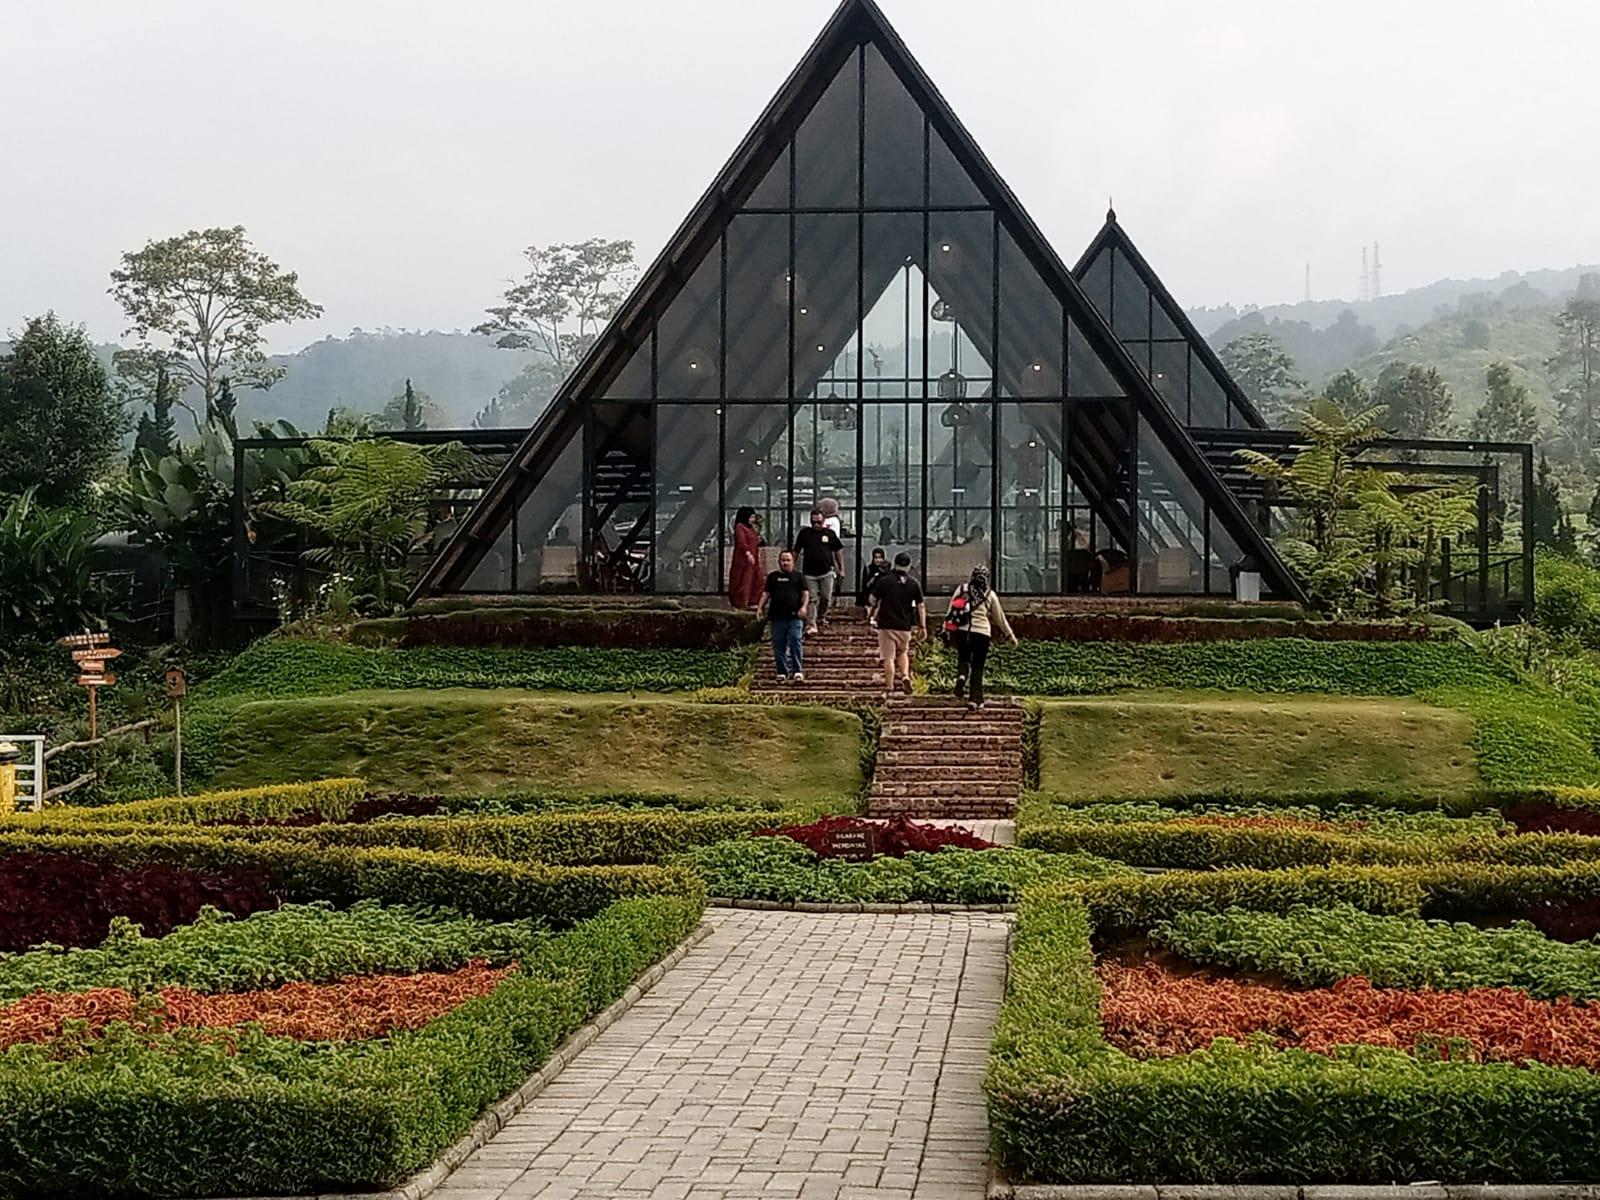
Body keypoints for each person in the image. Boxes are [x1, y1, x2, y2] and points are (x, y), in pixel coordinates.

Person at [947, 564, 1017, 709]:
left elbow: (951, 611)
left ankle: (961, 676)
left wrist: (946, 629)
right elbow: (1000, 618)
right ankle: (975, 699)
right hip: (982, 633)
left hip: (963, 630)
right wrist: (1010, 635)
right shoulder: (989, 594)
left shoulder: (962, 589)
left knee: (964, 658)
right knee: (978, 667)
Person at [868, 551, 926, 695]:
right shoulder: (914, 583)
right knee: (903, 652)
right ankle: (905, 676)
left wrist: (872, 612)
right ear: (909, 566)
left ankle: (889, 686)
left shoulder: (885, 581)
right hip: (905, 625)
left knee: (888, 657)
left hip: (886, 625)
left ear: (895, 563)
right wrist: (922, 626)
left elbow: (872, 600)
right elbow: (921, 606)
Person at [758, 549, 808, 683]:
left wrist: (803, 607)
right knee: (779, 645)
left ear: (793, 562)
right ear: (779, 562)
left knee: (795, 640)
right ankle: (782, 671)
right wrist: (760, 607)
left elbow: (805, 594)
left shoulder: (799, 577)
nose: (785, 563)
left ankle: (797, 670)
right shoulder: (773, 577)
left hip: (794, 617)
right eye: (783, 560)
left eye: (788, 560)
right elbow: (766, 593)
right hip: (777, 617)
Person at [793, 507, 844, 635]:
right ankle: (811, 623)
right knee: (811, 598)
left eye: (819, 522)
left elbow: (838, 551)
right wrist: (791, 566)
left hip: (826, 571)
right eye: (813, 522)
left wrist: (841, 568)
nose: (816, 525)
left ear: (824, 521)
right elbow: (796, 551)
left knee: (826, 597)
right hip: (809, 572)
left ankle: (821, 616)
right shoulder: (805, 534)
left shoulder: (829, 534)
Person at [728, 507, 763, 611]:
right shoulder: (740, 527)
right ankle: (742, 603)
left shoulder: (751, 528)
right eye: (751, 517)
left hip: (754, 559)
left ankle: (753, 601)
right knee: (744, 581)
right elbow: (741, 541)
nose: (753, 519)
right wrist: (748, 553)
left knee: (758, 580)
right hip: (744, 559)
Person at [857, 546, 890, 610]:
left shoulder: (886, 570)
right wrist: (874, 577)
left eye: (880, 558)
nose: (878, 560)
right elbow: (866, 585)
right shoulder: (868, 569)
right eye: (876, 558)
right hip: (871, 596)